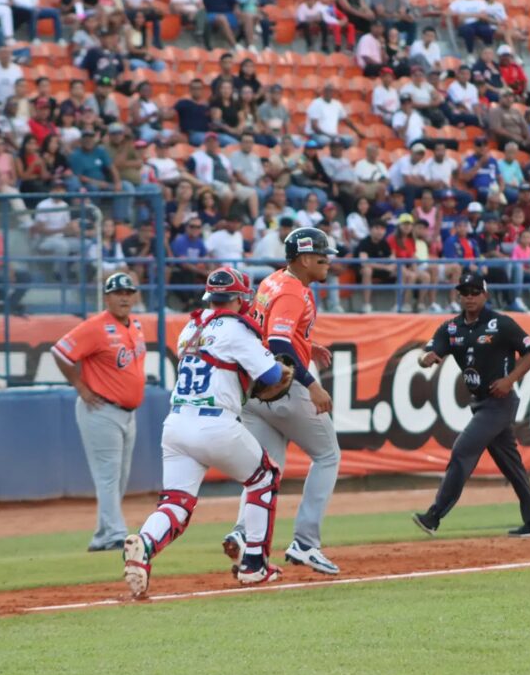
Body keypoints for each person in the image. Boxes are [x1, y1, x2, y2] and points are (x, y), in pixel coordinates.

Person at [122, 267, 290, 598]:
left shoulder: (191, 327)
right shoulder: (237, 329)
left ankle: (144, 544)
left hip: (177, 423)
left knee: (177, 502)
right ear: (241, 299)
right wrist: (283, 370)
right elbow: (271, 375)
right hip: (215, 422)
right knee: (264, 478)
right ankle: (254, 564)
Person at [222, 228, 342, 576]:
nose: (328, 262)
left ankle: (244, 534)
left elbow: (276, 331)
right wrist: (311, 384)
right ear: (304, 259)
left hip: (253, 392)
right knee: (327, 455)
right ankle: (306, 543)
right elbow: (277, 342)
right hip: (283, 386)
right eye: (322, 256)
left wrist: (307, 343)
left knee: (266, 467)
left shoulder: (273, 281)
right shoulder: (291, 291)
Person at [411, 271, 530, 538]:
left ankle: (434, 516)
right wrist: (425, 359)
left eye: (475, 292)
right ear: (458, 296)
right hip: (481, 402)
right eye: (464, 292)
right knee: (511, 465)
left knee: (463, 449)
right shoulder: (451, 328)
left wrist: (509, 380)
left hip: (501, 401)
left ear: (485, 295)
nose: (470, 297)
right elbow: (428, 352)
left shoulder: (502, 323)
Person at [53, 273, 146, 553]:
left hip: (128, 412)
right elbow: (60, 352)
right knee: (107, 474)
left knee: (119, 477)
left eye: (128, 292)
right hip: (101, 409)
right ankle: (115, 534)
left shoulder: (136, 325)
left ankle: (103, 534)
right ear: (107, 297)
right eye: (118, 293)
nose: (124, 297)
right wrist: (80, 386)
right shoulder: (95, 326)